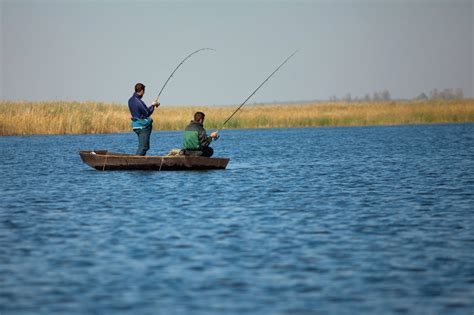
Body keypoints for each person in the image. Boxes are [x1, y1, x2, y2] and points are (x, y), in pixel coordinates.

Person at [128, 83, 160, 155]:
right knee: (144, 147)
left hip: (136, 126)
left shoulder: (130, 100)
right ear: (142, 91)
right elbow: (147, 113)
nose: (144, 94)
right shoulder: (138, 101)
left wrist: (152, 106)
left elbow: (142, 112)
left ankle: (137, 160)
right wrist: (153, 105)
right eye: (144, 92)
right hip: (142, 126)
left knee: (143, 146)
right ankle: (136, 162)